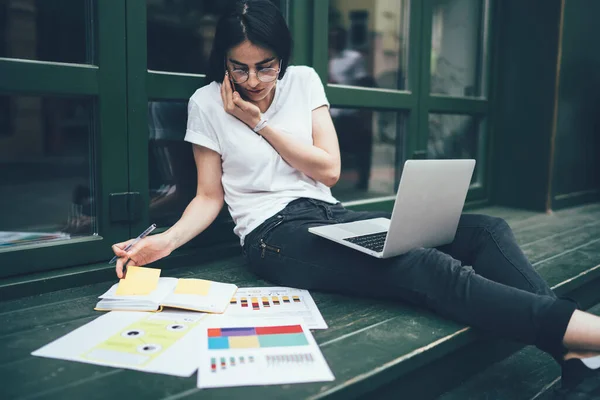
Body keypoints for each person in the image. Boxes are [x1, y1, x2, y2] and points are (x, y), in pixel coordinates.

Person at [112, 1, 600, 397]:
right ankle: (588, 338)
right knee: (422, 265)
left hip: (332, 215)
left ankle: (571, 352)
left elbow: (329, 169)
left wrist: (258, 122)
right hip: (275, 236)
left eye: (266, 66)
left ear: (282, 56)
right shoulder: (206, 104)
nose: (253, 80)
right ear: (224, 61)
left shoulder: (302, 82)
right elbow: (207, 196)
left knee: (487, 230)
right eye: (239, 68)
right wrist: (166, 244)